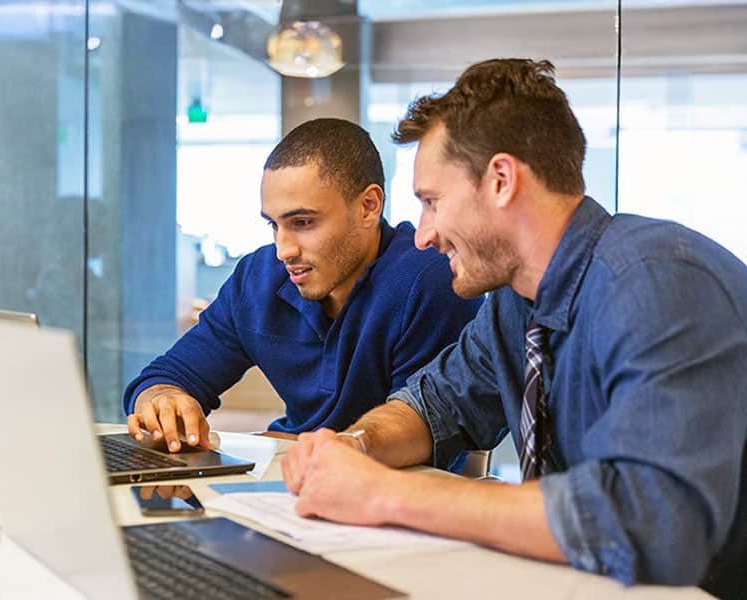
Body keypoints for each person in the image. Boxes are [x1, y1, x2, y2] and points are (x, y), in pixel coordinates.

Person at [281, 59, 747, 599]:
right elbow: (436, 406)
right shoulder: (514, 302)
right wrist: (351, 448)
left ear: (501, 180)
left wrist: (384, 495)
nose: (423, 235)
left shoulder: (657, 283)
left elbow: (652, 523)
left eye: (432, 202)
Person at [123, 118, 482, 454]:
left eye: (303, 222)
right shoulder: (258, 278)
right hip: (288, 478)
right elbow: (167, 376)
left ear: (368, 207)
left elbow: (425, 430)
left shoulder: (429, 279)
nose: (283, 250)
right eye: (274, 225)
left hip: (384, 495)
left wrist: (297, 446)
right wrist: (162, 399)